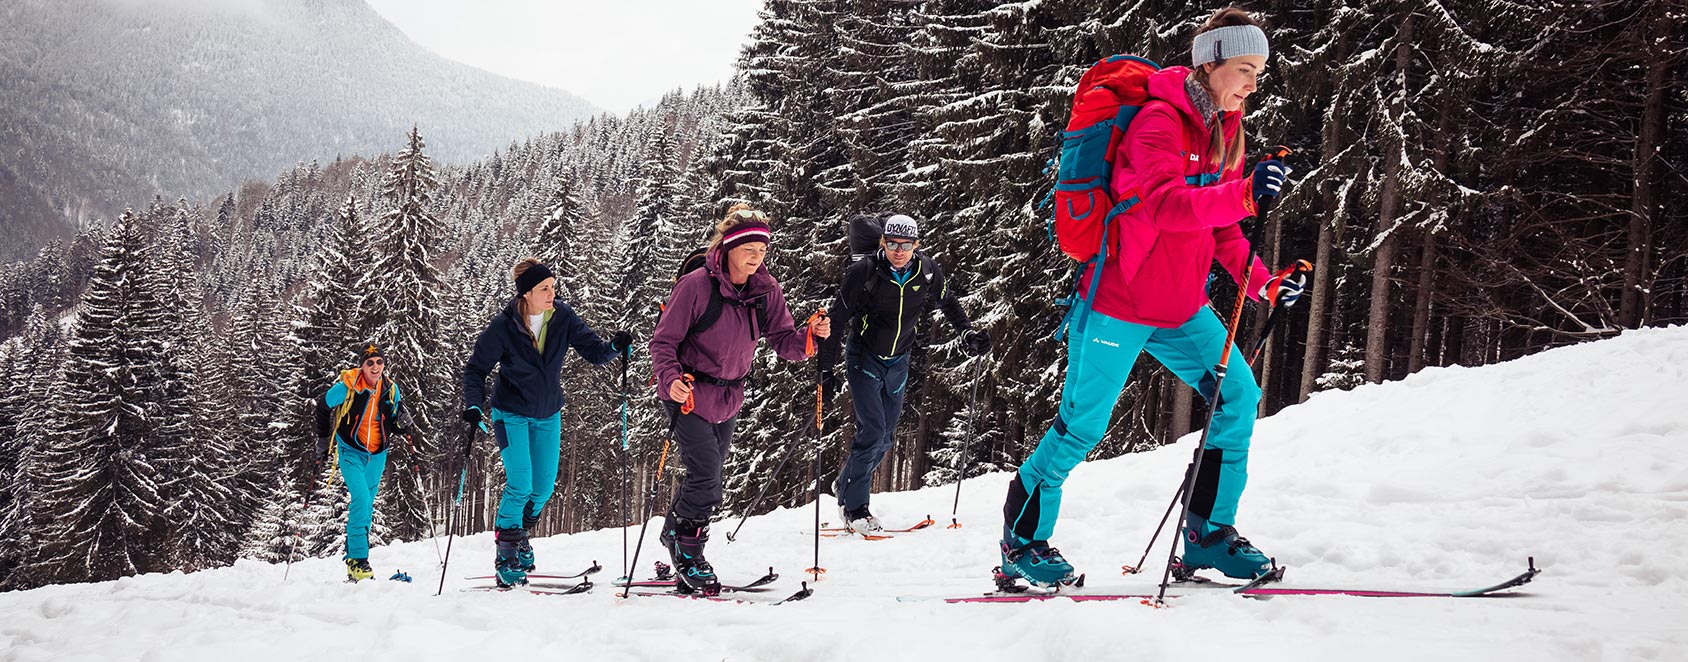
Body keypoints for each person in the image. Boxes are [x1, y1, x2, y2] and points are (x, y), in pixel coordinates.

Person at [998, 7, 1305, 586]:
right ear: (1210, 62)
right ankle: (1023, 542)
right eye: (1244, 68)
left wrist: (1263, 281)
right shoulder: (1160, 123)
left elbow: (1218, 231)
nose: (1253, 83)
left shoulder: (1223, 128)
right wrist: (1242, 194)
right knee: (1082, 426)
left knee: (1237, 398)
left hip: (1182, 307)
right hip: (1119, 300)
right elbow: (1163, 205)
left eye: (1259, 71)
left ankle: (1207, 537)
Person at [648, 204, 831, 595]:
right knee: (707, 475)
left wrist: (811, 335)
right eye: (749, 247)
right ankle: (689, 549)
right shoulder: (696, 286)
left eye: (762, 249)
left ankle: (673, 533)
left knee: (706, 472)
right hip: (688, 393)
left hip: (729, 395)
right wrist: (670, 378)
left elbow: (785, 341)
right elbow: (663, 342)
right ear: (728, 247)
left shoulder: (766, 291)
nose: (756, 255)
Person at [462, 258, 632, 587]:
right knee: (521, 484)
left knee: (542, 489)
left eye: (553, 286)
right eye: (545, 288)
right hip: (510, 413)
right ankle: (507, 553)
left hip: (548, 413)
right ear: (526, 293)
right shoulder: (504, 326)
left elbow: (594, 352)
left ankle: (520, 534)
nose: (553, 292)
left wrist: (614, 346)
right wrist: (472, 405)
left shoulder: (562, 317)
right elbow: (475, 369)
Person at [818, 214, 990, 534]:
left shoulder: (925, 271)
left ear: (916, 245)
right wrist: (825, 371)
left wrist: (967, 333)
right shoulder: (864, 272)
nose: (899, 251)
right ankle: (855, 508)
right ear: (883, 242)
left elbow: (948, 301)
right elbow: (836, 320)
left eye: (906, 245)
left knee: (884, 439)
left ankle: (845, 486)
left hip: (898, 362)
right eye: (893, 244)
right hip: (864, 358)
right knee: (871, 431)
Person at [313, 343, 415, 582]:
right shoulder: (347, 387)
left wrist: (402, 422)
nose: (376, 367)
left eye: (379, 362)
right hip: (351, 451)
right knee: (360, 499)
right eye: (370, 363)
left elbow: (392, 422)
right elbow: (322, 405)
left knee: (367, 505)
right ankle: (359, 560)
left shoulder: (391, 389)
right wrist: (323, 438)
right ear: (362, 366)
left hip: (378, 454)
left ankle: (353, 561)